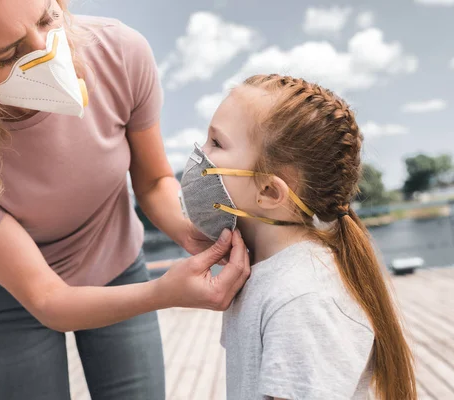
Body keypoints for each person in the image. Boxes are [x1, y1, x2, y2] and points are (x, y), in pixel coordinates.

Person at [0, 1, 250, 399]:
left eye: (47, 19)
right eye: (9, 54)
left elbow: (152, 182)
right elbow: (48, 300)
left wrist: (187, 231)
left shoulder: (121, 52)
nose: (47, 51)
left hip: (119, 264)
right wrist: (165, 292)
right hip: (15, 299)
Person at [178, 74, 416, 400]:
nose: (198, 155)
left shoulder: (302, 298)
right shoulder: (263, 271)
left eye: (216, 144)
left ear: (269, 190)